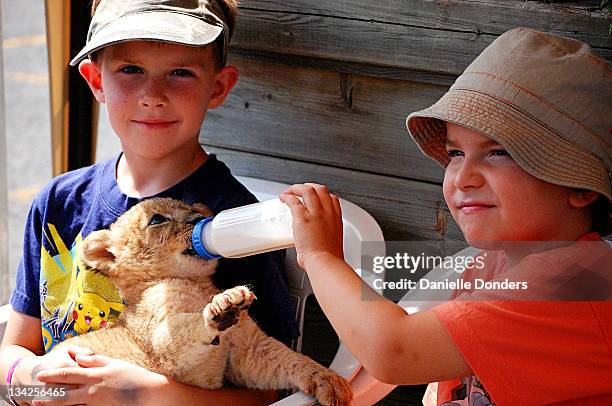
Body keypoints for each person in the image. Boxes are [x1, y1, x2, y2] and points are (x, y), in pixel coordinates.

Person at [280, 27, 612, 405]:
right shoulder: (494, 263)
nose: (463, 178)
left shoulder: (571, 284)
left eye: (499, 152)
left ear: (581, 187)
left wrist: (320, 256)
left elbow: (394, 351)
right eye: (456, 154)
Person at [0, 0, 298, 404]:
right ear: (96, 80)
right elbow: (12, 355)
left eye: (180, 72)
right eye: (130, 70)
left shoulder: (237, 223)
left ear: (218, 86)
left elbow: (270, 391)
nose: (152, 95)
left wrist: (140, 394)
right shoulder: (58, 202)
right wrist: (34, 378)